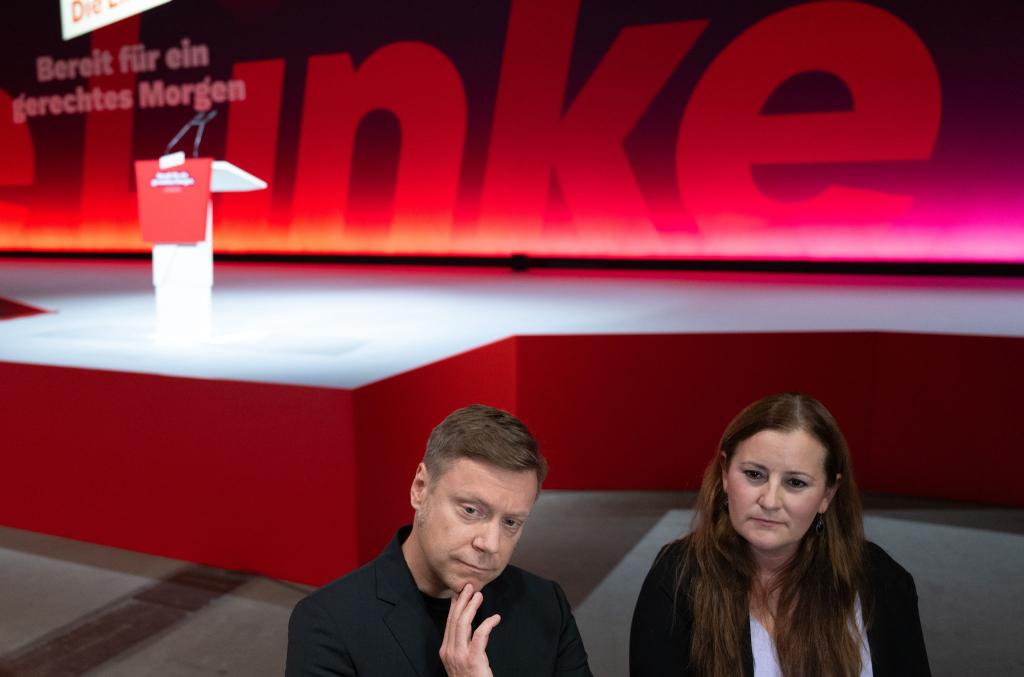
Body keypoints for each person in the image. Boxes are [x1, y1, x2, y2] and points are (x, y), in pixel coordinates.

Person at [630, 392, 930, 677]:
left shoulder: (882, 580)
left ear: (828, 493)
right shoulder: (677, 577)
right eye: (754, 475)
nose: (770, 501)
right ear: (725, 474)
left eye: (796, 483)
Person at [287, 404, 592, 676]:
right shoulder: (328, 622)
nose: (491, 543)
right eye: (471, 510)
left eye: (510, 522)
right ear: (420, 488)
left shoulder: (546, 604)